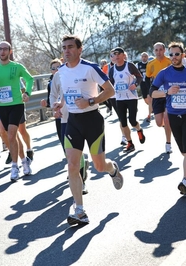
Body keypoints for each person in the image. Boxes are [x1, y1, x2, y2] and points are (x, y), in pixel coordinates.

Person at [52, 34, 123, 225]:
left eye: (70, 47)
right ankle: (80, 211)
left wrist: (90, 101)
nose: (67, 51)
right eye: (64, 47)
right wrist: (60, 103)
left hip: (92, 120)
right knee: (73, 165)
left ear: (79, 49)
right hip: (73, 121)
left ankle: (112, 169)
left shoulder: (90, 68)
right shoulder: (61, 71)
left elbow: (110, 91)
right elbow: (68, 94)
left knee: (99, 166)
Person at [150, 42, 186, 195]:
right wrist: (167, 91)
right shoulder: (164, 73)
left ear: (182, 55)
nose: (174, 57)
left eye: (176, 54)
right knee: (184, 151)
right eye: (171, 54)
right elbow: (152, 92)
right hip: (173, 116)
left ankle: (184, 181)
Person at [0, 41, 33, 181]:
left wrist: (27, 93)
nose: (2, 51)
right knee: (13, 137)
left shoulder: (16, 67)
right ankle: (24, 161)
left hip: (16, 104)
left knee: (11, 134)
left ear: (10, 51)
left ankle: (15, 167)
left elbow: (30, 79)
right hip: (2, 106)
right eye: (0, 49)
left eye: (5, 49)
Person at [41, 58, 89, 194]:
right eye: (53, 68)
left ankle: (82, 181)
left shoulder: (73, 74)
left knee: (75, 151)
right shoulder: (56, 77)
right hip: (62, 118)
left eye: (58, 66)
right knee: (66, 149)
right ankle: (76, 170)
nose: (56, 69)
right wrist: (54, 109)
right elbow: (53, 95)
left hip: (76, 116)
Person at [109, 47, 145, 153]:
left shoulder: (129, 65)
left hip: (131, 97)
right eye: (114, 54)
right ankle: (130, 143)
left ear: (123, 55)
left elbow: (139, 77)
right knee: (123, 122)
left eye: (117, 54)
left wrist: (135, 84)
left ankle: (139, 129)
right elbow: (110, 83)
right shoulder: (112, 69)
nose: (115, 56)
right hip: (119, 98)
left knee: (132, 121)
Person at [146, 42, 173, 153]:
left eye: (160, 49)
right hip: (157, 95)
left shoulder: (170, 61)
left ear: (164, 50)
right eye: (156, 50)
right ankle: (166, 127)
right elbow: (147, 79)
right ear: (154, 51)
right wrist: (149, 94)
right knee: (158, 123)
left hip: (168, 94)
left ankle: (168, 143)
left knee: (167, 119)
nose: (158, 52)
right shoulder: (150, 64)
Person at [137, 52, 153, 122]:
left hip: (149, 83)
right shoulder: (138, 64)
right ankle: (151, 106)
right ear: (141, 57)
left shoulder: (150, 64)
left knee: (149, 98)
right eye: (143, 56)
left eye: (145, 56)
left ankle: (150, 113)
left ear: (147, 57)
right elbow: (135, 73)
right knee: (145, 99)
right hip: (142, 83)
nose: (144, 58)